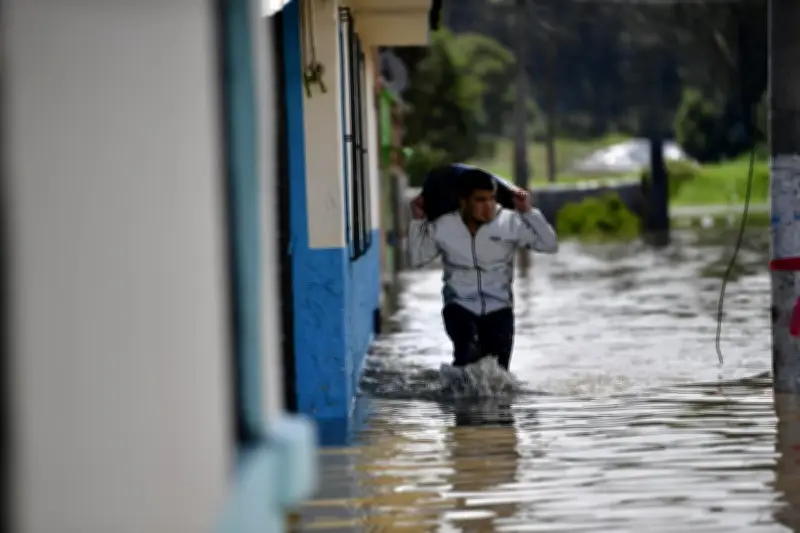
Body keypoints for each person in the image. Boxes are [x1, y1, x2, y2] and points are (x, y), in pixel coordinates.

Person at [407, 168, 558, 371]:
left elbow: (549, 244)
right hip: (459, 307)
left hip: (500, 309)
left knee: (498, 375)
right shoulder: (444, 226)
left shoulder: (508, 222)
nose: (488, 207)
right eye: (480, 200)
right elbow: (417, 258)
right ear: (464, 201)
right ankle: (456, 399)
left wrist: (528, 212)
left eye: (491, 199)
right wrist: (418, 220)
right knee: (467, 356)